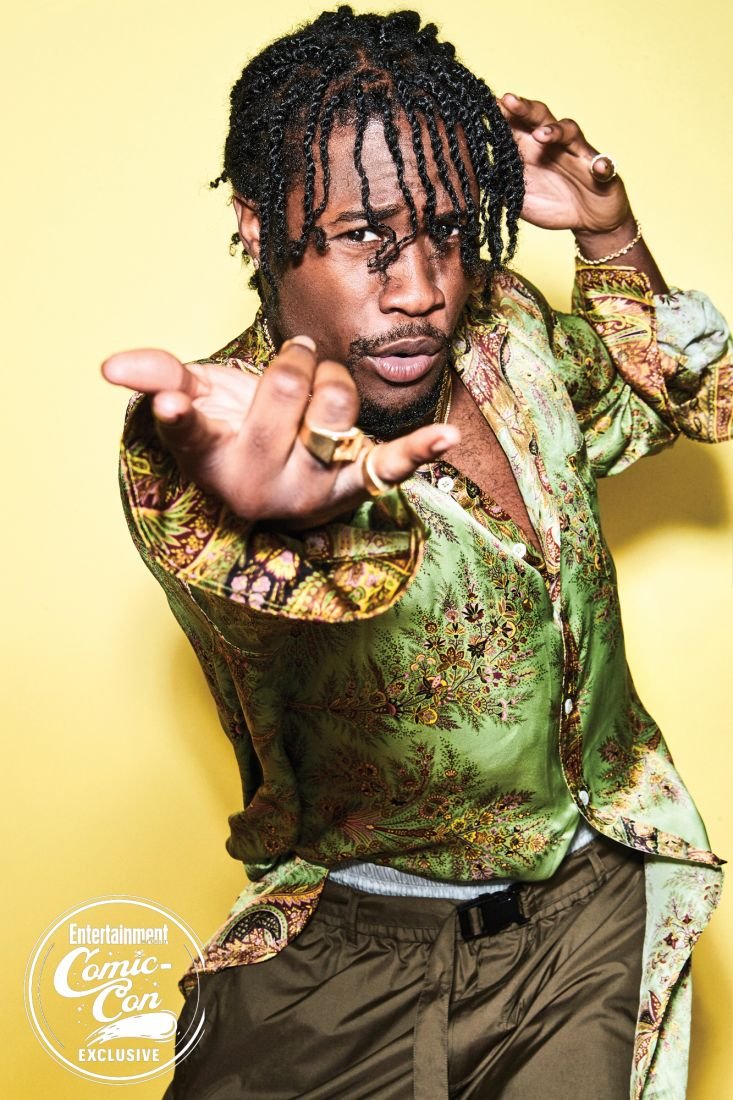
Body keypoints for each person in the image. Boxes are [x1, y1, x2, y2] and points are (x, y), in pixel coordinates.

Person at [103, 7, 731, 1098]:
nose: (420, 289)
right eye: (365, 238)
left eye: (446, 230)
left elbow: (674, 403)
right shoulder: (220, 437)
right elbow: (221, 523)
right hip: (344, 956)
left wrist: (609, 236)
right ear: (255, 225)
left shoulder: (508, 331)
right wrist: (285, 513)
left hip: (587, 919)